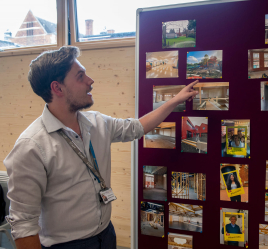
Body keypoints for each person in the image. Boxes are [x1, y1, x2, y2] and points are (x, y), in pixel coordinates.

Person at [3, 46, 199, 249]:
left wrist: (175, 100)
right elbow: (24, 224)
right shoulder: (31, 147)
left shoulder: (97, 123)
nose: (90, 80)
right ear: (57, 88)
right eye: (80, 76)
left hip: (105, 235)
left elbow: (137, 127)